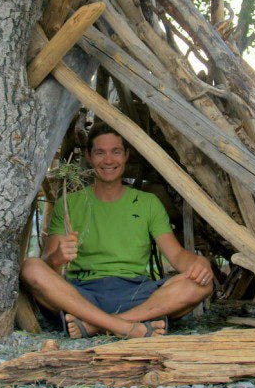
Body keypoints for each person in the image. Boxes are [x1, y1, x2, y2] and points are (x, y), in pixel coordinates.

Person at [21, 125, 214, 338]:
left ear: (126, 155)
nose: (108, 160)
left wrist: (199, 265)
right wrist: (58, 257)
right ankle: (128, 327)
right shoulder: (70, 203)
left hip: (137, 293)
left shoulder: (147, 203)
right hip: (82, 294)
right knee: (31, 268)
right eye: (100, 152)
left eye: (116, 152)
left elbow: (177, 256)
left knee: (201, 284)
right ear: (89, 157)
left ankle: (102, 325)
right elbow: (47, 264)